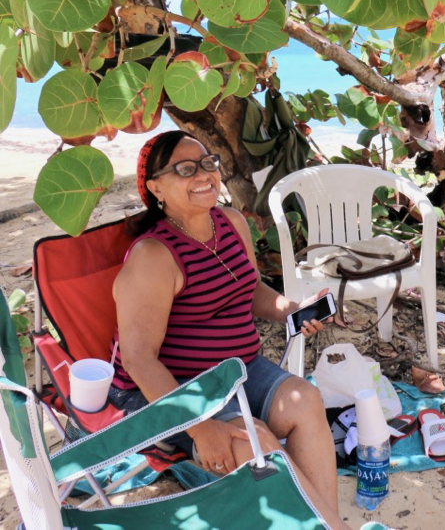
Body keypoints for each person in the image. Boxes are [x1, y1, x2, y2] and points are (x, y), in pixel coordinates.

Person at [110, 130, 351, 530]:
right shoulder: (154, 256)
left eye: (208, 163)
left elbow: (250, 287)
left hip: (237, 370)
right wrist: (201, 428)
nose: (203, 174)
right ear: (156, 188)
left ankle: (327, 522)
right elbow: (138, 360)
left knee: (306, 399)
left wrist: (292, 309)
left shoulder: (231, 222)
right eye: (185, 169)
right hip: (169, 389)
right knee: (250, 437)